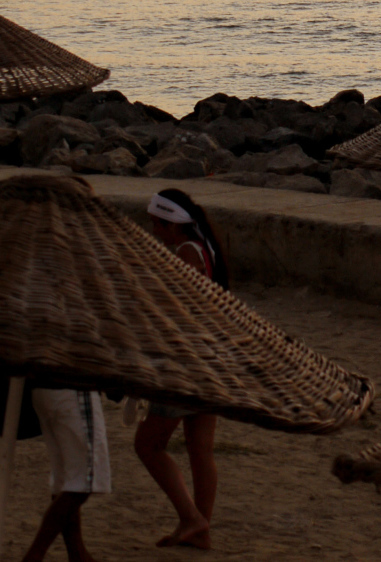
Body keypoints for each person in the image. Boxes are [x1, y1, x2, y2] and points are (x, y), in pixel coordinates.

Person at [133, 189, 229, 550]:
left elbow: (178, 311)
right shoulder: (207, 251)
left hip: (187, 362)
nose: (155, 231)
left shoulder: (187, 254)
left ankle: (191, 518)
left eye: (156, 225)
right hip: (211, 357)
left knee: (148, 446)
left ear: (168, 224)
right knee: (200, 450)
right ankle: (201, 530)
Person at [21, 386, 111, 562]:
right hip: (73, 388)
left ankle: (77, 554)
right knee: (84, 481)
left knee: (67, 480)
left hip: (45, 390)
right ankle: (34, 556)